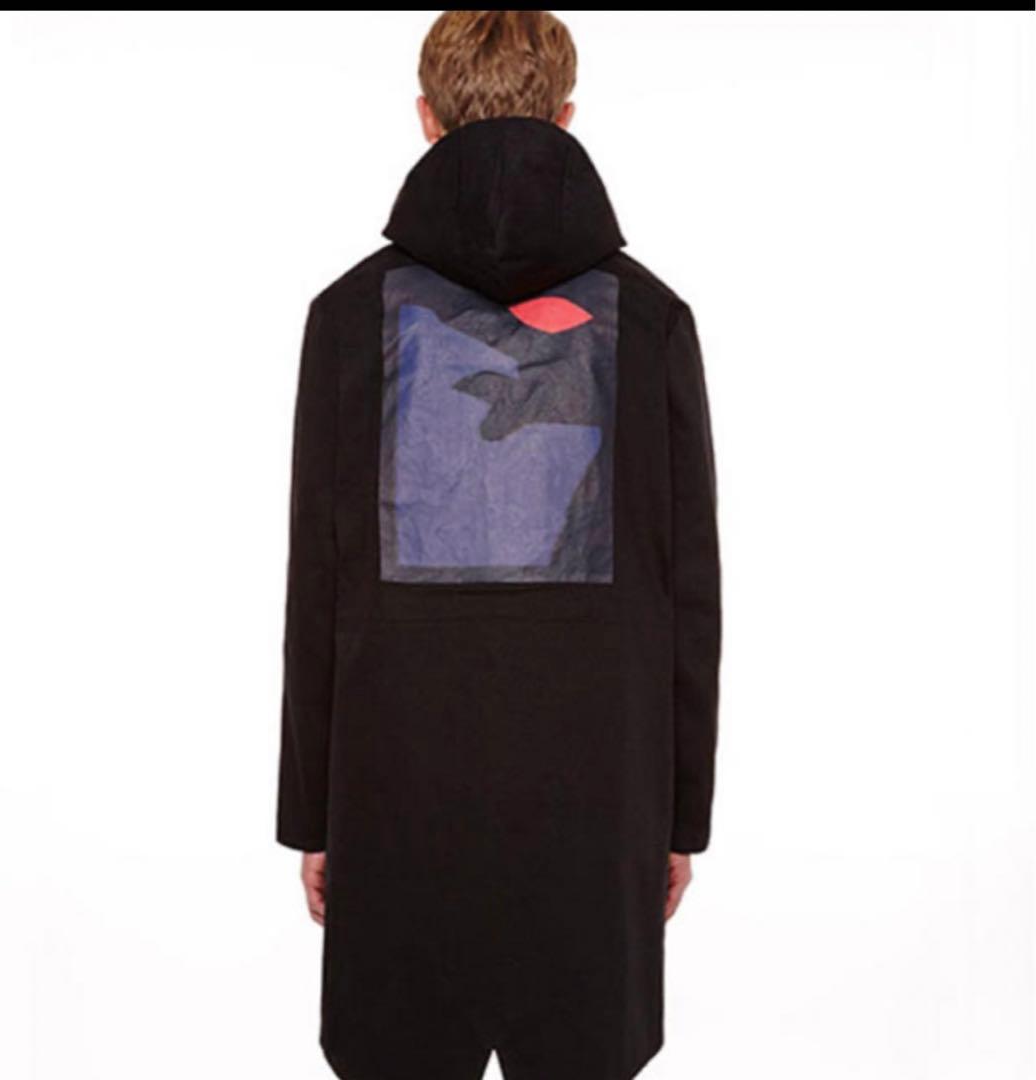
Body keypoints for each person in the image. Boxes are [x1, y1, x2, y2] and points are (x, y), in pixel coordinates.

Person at [276, 11, 721, 1080]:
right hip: (596, 798)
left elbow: (318, 585)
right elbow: (687, 589)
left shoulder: (350, 316)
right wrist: (678, 814)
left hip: (394, 793)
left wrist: (314, 813)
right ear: (566, 119)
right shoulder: (649, 320)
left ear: (425, 120)